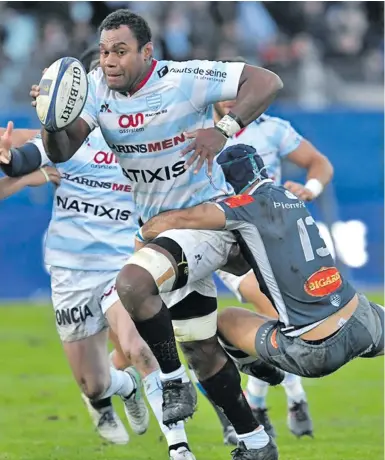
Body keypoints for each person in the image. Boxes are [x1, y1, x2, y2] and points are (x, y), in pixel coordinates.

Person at [26, 9, 283, 460]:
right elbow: (63, 151)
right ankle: (255, 438)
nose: (109, 61)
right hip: (164, 233)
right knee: (201, 350)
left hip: (208, 222)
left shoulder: (184, 78)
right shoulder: (95, 89)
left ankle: (171, 381)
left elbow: (266, 81)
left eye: (121, 51)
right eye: (105, 51)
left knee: (132, 283)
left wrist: (223, 130)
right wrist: (52, 118)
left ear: (148, 52)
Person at [0, 46, 197, 460]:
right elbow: (21, 159)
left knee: (142, 350)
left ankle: (180, 450)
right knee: (94, 384)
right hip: (71, 270)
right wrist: (14, 165)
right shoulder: (63, 145)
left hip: (122, 265)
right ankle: (120, 389)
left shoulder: (143, 141)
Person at [134, 143, 384, 380]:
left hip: (314, 347)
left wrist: (144, 231)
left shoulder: (244, 206)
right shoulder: (289, 192)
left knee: (225, 320)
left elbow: (187, 219)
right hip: (360, 317)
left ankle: (260, 370)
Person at [201, 84, 334, 444]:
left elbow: (320, 164)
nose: (232, 100)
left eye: (242, 93)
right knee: (272, 308)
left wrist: (311, 189)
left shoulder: (273, 129)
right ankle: (293, 398)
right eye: (226, 92)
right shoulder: (199, 133)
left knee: (280, 319)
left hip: (275, 239)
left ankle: (260, 404)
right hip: (230, 246)